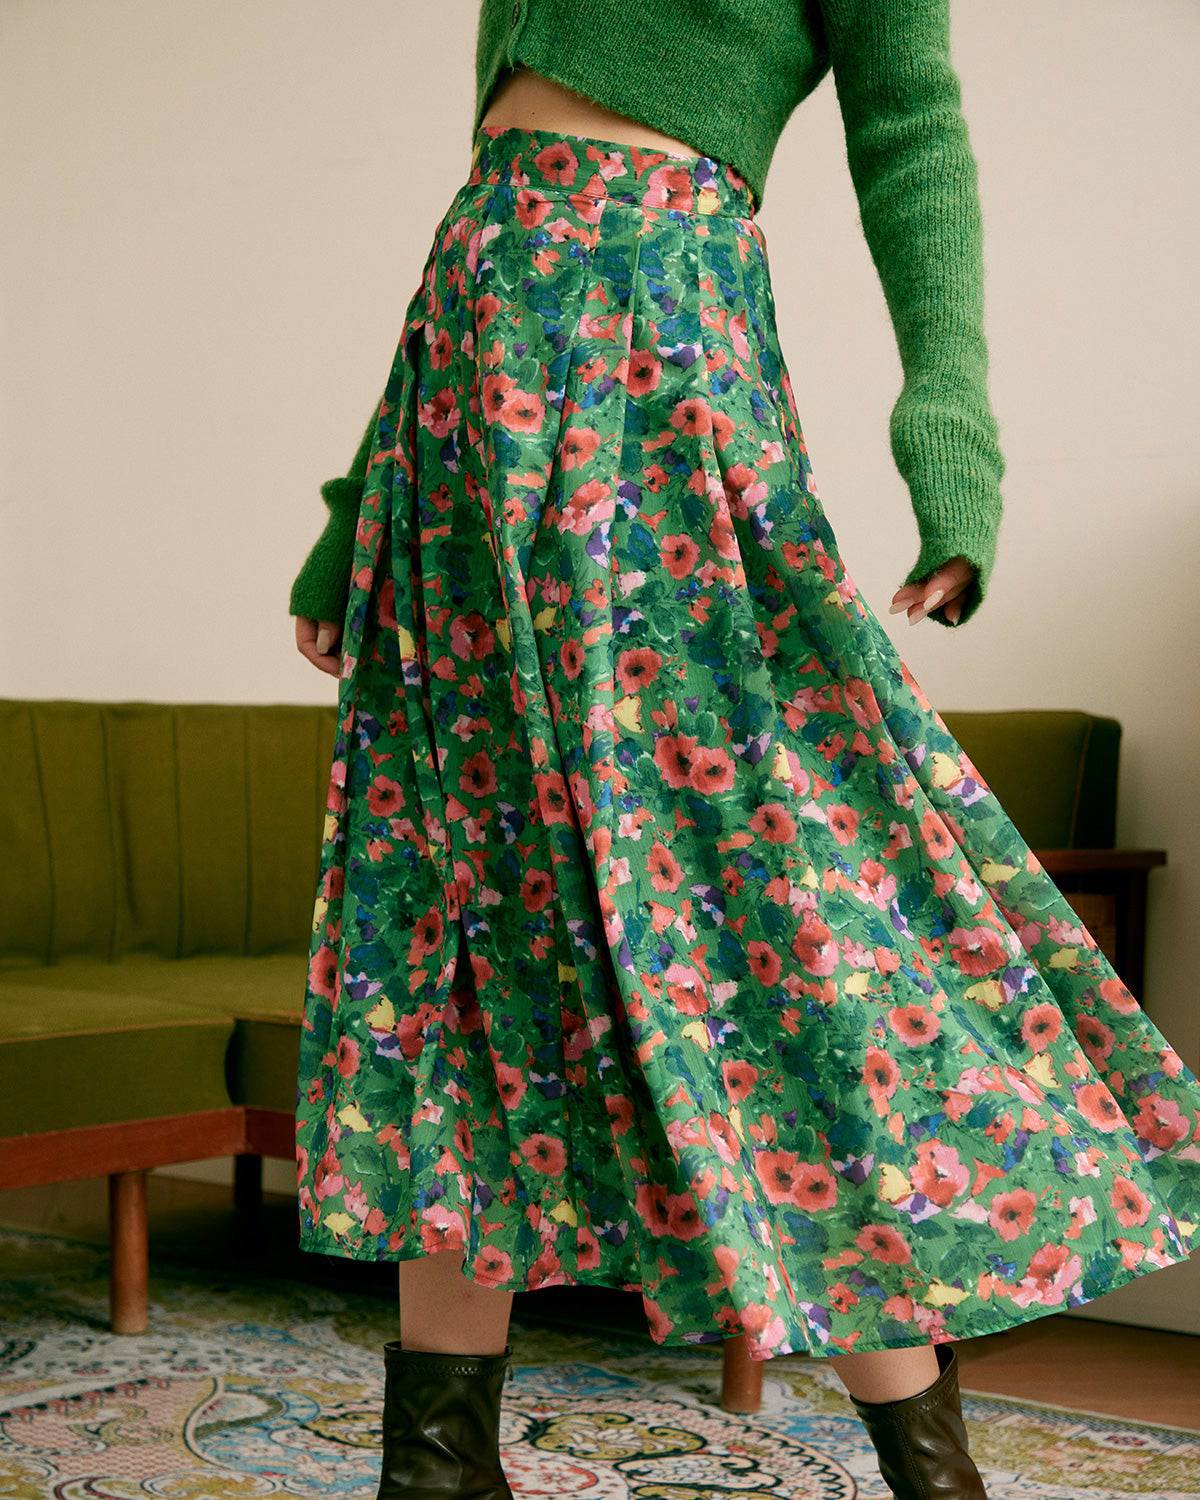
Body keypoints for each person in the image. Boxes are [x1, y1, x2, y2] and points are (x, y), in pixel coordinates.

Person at [287, 4, 1200, 1497]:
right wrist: (352, 515)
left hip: (658, 358)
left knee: (761, 906)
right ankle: (436, 1470)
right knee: (453, 910)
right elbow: (491, 225)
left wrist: (950, 433)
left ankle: (931, 1468)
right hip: (462, 413)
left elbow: (913, 137)